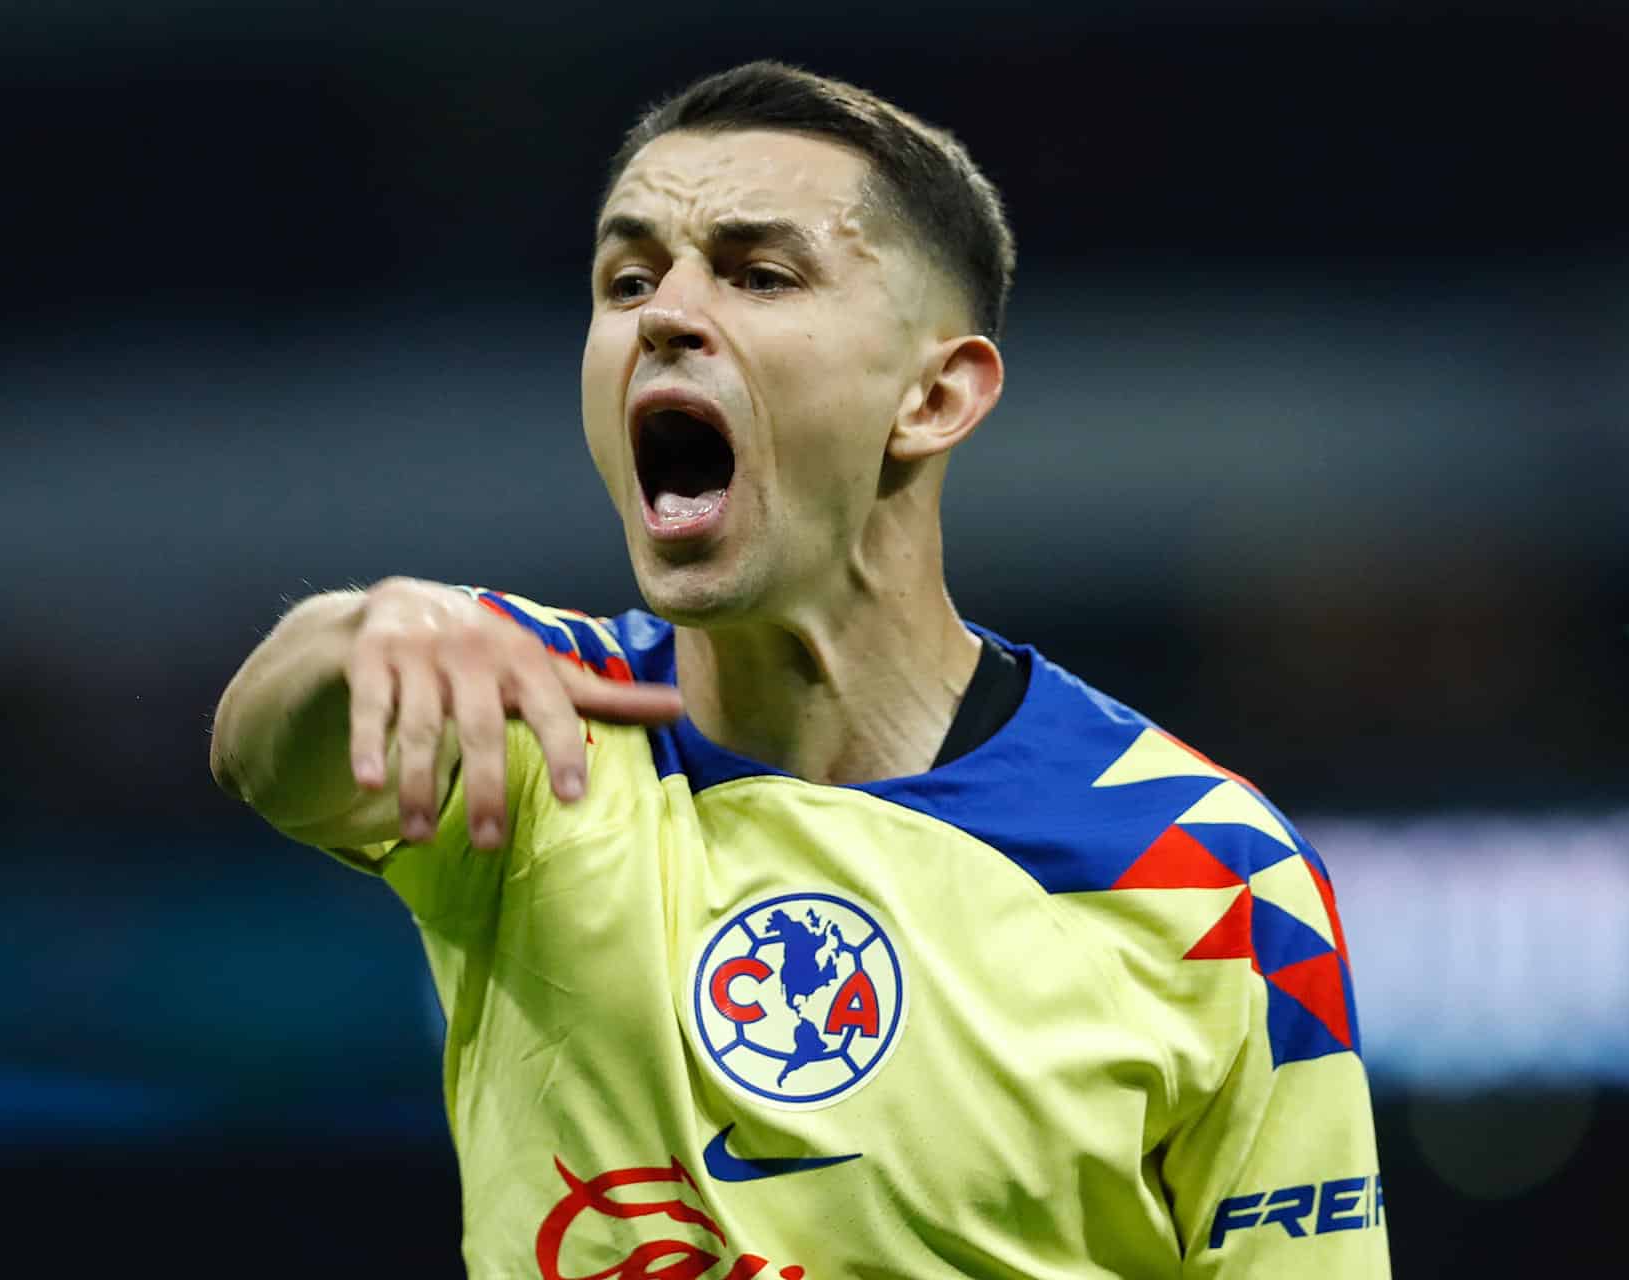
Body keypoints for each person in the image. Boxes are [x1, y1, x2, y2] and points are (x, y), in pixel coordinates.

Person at [210, 61, 1389, 1279]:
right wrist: (362, 635)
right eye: (627, 278)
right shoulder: (540, 716)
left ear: (933, 394)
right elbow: (265, 754)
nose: (664, 313)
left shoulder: (1210, 874)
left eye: (758, 273)